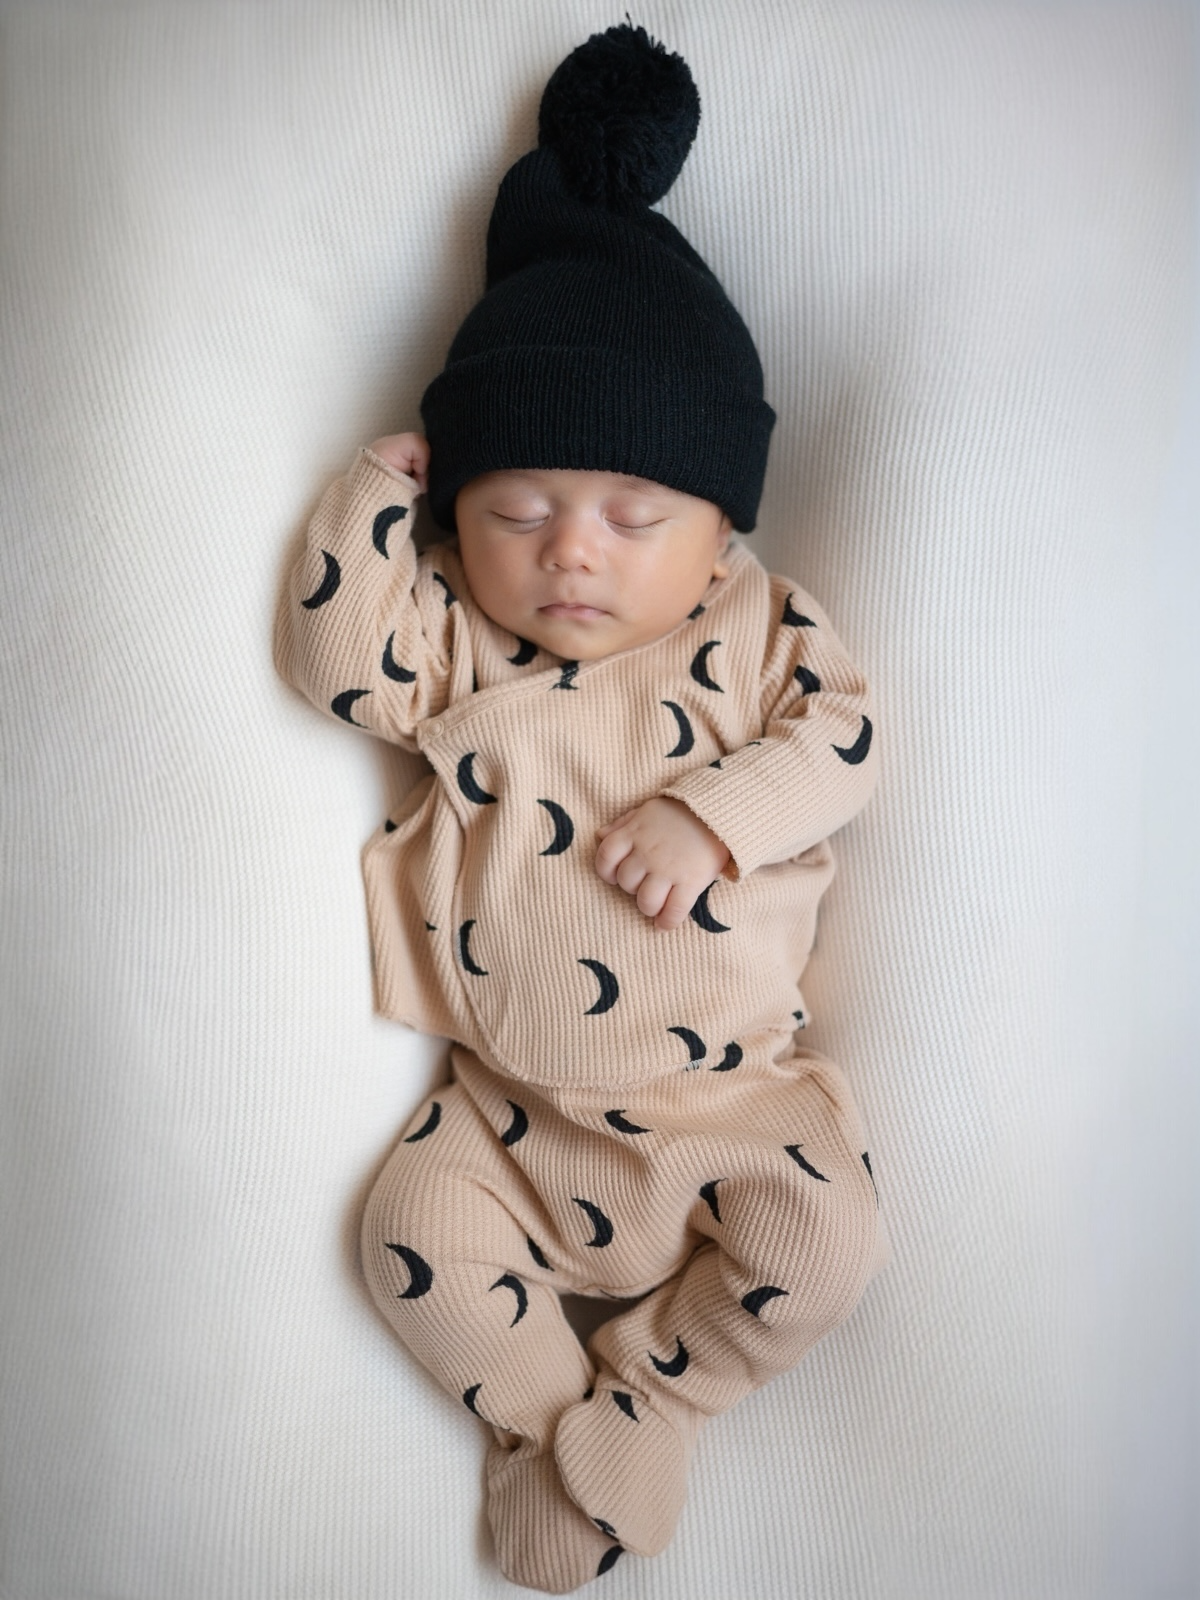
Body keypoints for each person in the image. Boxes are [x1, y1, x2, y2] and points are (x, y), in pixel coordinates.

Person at [276, 23, 887, 1594]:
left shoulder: (757, 632)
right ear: (457, 514)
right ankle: (576, 1441)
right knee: (403, 1230)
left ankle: (662, 1392)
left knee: (827, 1244)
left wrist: (718, 818)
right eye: (517, 509)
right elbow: (341, 668)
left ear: (718, 519)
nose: (573, 555)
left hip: (722, 1112)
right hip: (506, 1121)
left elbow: (848, 739)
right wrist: (372, 492)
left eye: (634, 515)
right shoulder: (467, 645)